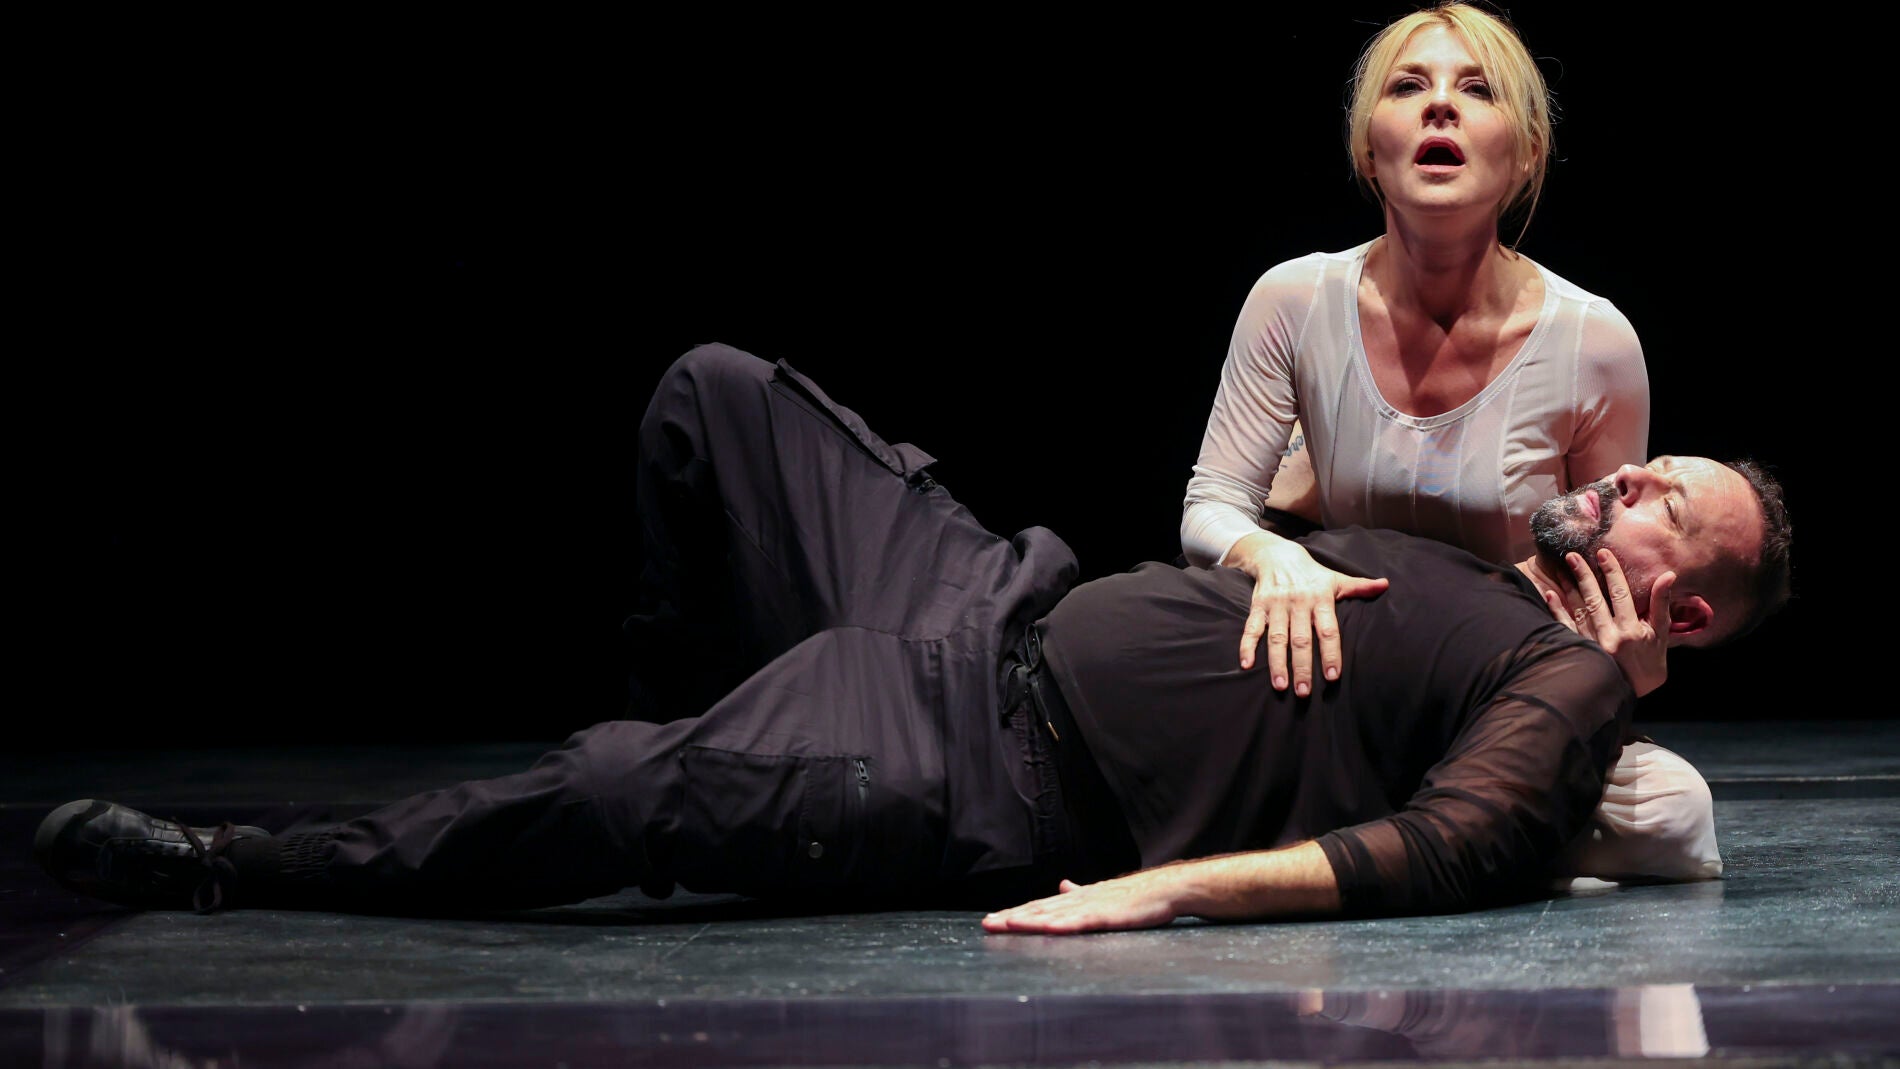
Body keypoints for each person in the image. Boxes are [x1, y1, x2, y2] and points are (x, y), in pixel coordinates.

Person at [35, 346, 1790, 932]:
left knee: (615, 792)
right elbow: (1255, 483)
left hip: (983, 769)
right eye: (1656, 460)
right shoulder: (1482, 550)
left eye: (1668, 501)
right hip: (982, 598)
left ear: (1688, 605)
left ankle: (234, 865)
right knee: (717, 395)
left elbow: (1454, 846)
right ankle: (704, 727)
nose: (1633, 473)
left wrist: (1155, 895)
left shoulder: (1567, 684)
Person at [1182, 3, 1654, 697]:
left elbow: (1606, 564)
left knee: (1659, 777)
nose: (1439, 105)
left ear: (1527, 152)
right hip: (1337, 671)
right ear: (1368, 150)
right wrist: (1272, 556)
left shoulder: (1595, 342)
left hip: (1501, 681)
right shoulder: (1294, 300)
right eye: (1407, 86)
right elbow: (1213, 504)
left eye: (1478, 88)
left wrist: (1619, 669)